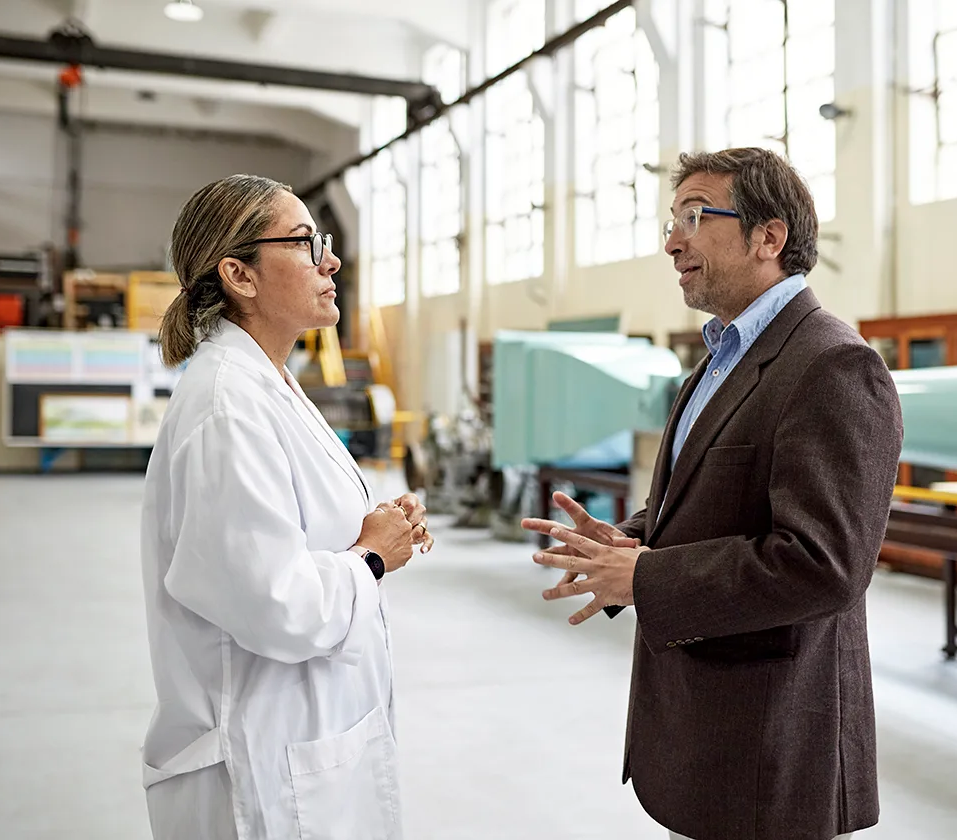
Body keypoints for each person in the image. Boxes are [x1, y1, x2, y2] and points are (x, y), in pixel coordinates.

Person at [522, 147, 904, 840]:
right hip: (710, 733)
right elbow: (712, 499)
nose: (673, 242)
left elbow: (824, 566)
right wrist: (632, 541)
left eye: (696, 217)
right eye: (672, 221)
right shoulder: (722, 358)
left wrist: (648, 575)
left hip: (770, 742)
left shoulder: (832, 364)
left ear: (769, 236)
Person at [139, 174, 432, 840]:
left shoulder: (267, 383)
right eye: (304, 244)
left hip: (305, 745)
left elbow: (292, 536)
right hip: (260, 773)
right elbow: (277, 605)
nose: (330, 261)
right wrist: (371, 558)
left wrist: (377, 530)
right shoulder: (226, 408)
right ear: (239, 274)